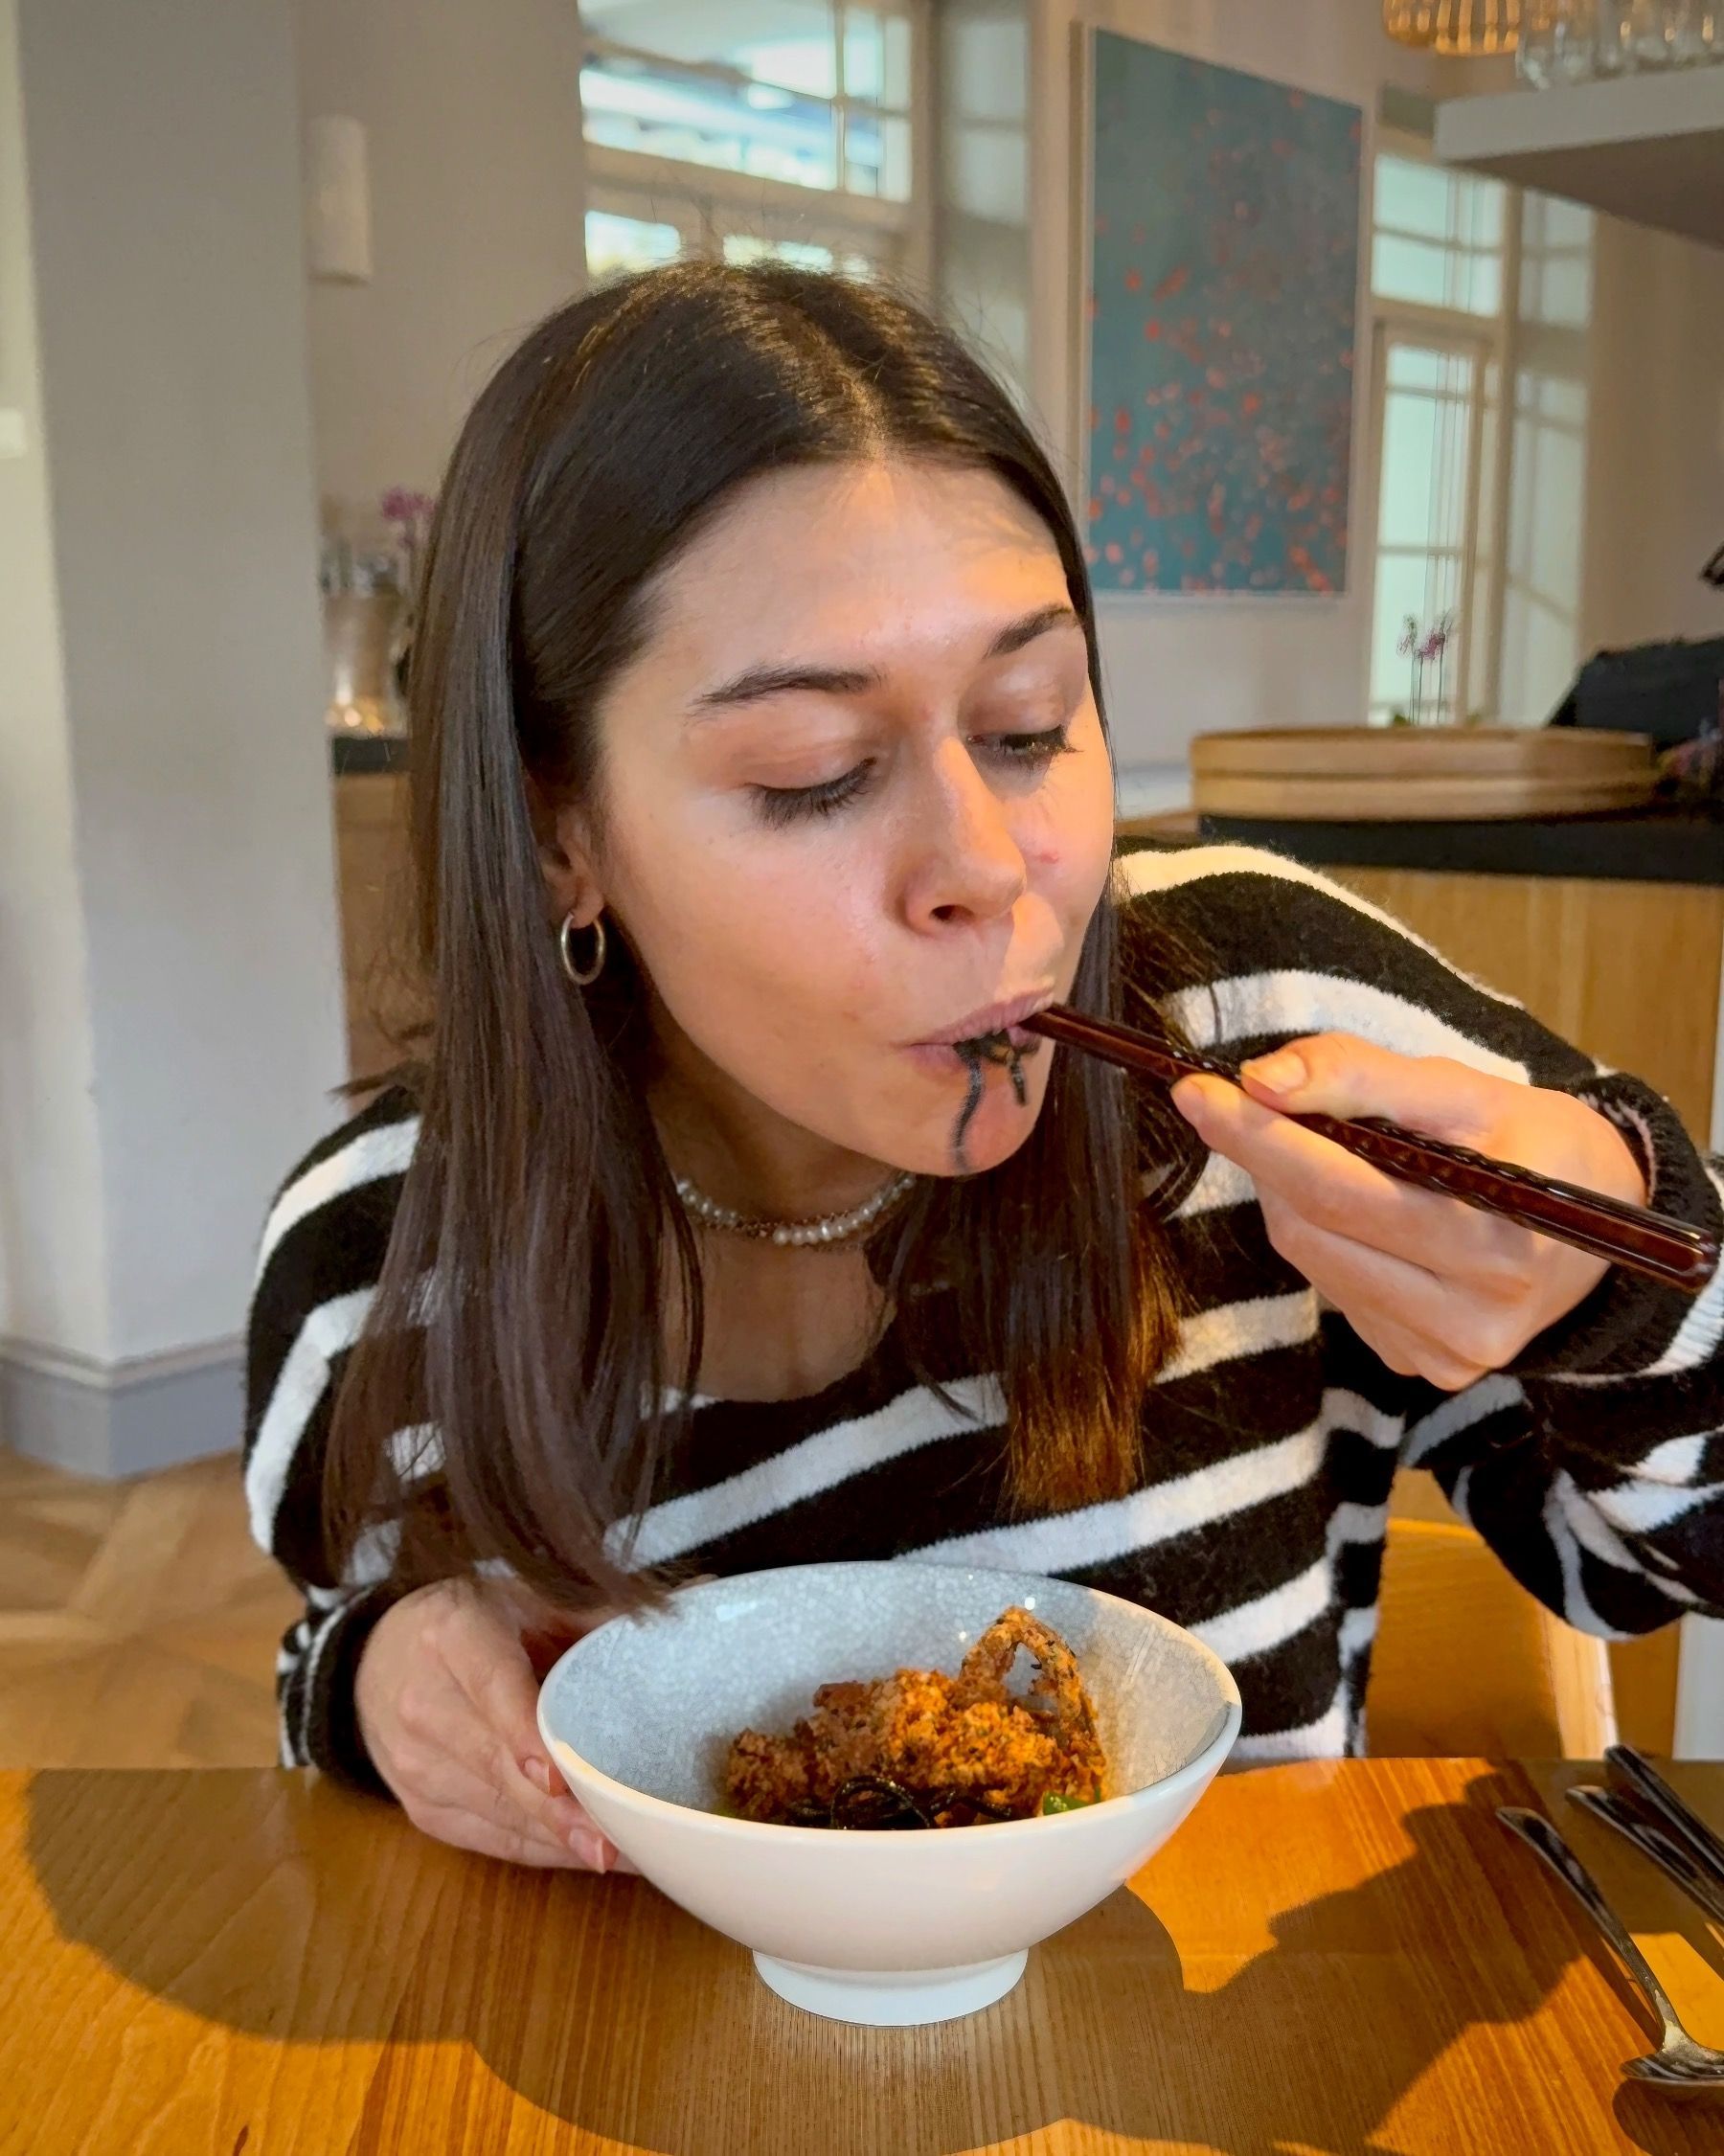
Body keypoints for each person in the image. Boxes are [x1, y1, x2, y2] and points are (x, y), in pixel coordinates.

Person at [245, 262, 1724, 1873]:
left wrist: (1608, 1283)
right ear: (558, 839)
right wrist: (372, 1681)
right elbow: (348, 1641)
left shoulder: (1266, 1018)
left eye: (1028, 726)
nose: (988, 869)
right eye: (818, 774)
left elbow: (1650, 1569)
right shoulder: (381, 1264)